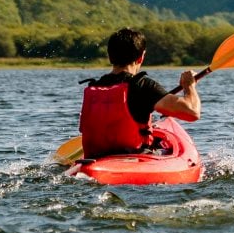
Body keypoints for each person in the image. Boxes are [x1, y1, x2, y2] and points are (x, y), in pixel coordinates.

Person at [78, 28, 200, 159]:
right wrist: (189, 86)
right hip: (133, 159)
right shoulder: (142, 85)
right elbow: (192, 112)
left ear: (109, 56)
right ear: (141, 57)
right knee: (166, 148)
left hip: (94, 159)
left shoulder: (94, 87)